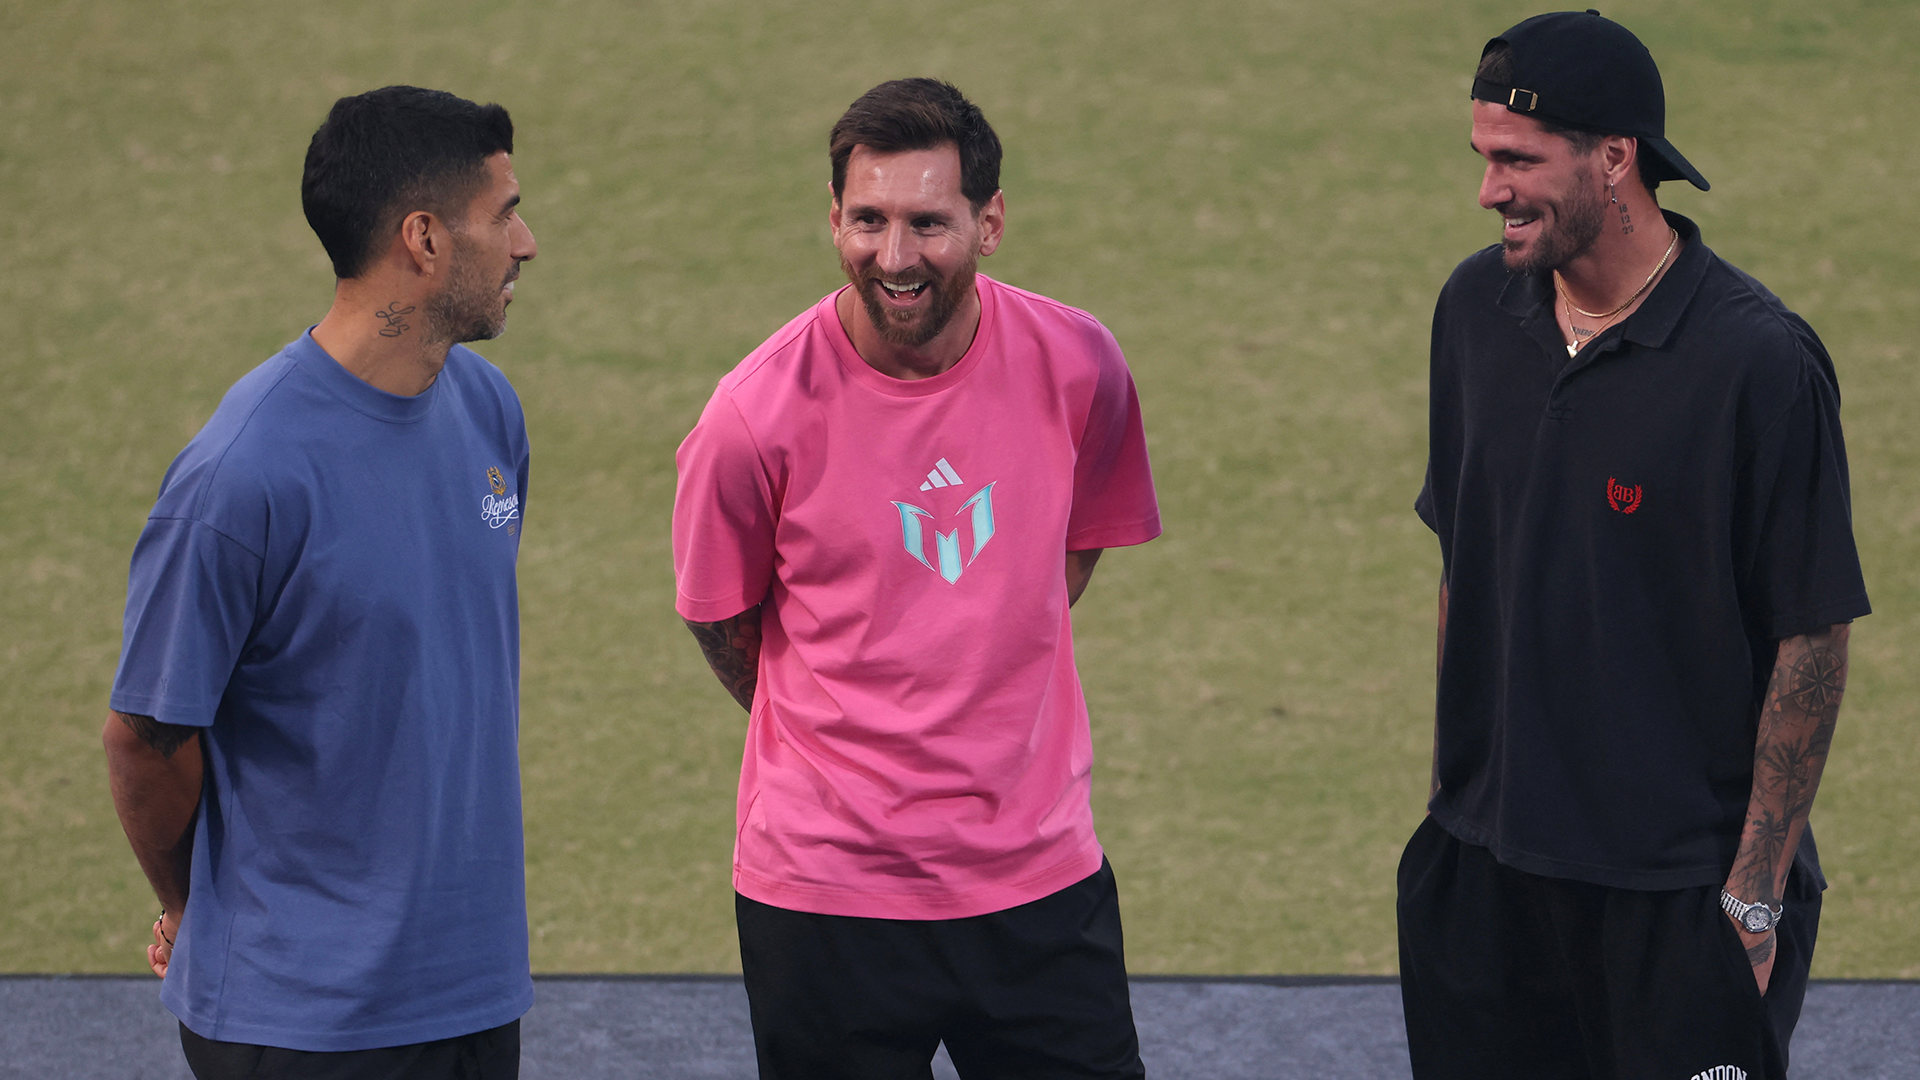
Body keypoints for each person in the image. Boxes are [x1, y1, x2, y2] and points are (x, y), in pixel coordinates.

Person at [1399, 11, 1871, 1079]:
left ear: (1616, 158)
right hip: (1485, 880)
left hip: (1676, 900)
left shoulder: (1759, 364)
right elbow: (1460, 562)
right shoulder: (1474, 312)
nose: (1489, 192)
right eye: (1482, 159)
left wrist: (1754, 896)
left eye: (1518, 161)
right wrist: (1454, 802)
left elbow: (1812, 638)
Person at [672, 78, 1161, 1078]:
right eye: (868, 220)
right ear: (834, 216)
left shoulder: (1081, 365)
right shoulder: (752, 415)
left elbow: (1067, 553)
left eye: (928, 224)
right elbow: (727, 624)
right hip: (825, 895)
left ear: (990, 224)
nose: (893, 258)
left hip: (1036, 880)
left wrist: (976, 646)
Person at [103, 85, 538, 1079]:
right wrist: (191, 906)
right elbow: (144, 737)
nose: (526, 244)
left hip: (473, 993)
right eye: (504, 214)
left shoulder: (487, 412)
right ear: (424, 239)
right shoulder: (243, 475)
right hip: (299, 1023)